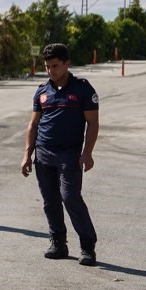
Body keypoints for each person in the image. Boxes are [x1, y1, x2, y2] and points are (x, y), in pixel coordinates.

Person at [21, 42, 100, 265]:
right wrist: (27, 154)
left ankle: (87, 246)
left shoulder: (83, 89)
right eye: (47, 66)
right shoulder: (41, 91)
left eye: (55, 66)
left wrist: (88, 152)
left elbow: (92, 124)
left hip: (69, 154)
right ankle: (58, 242)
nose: (50, 71)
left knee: (70, 197)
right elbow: (33, 125)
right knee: (50, 200)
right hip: (44, 154)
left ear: (67, 64)